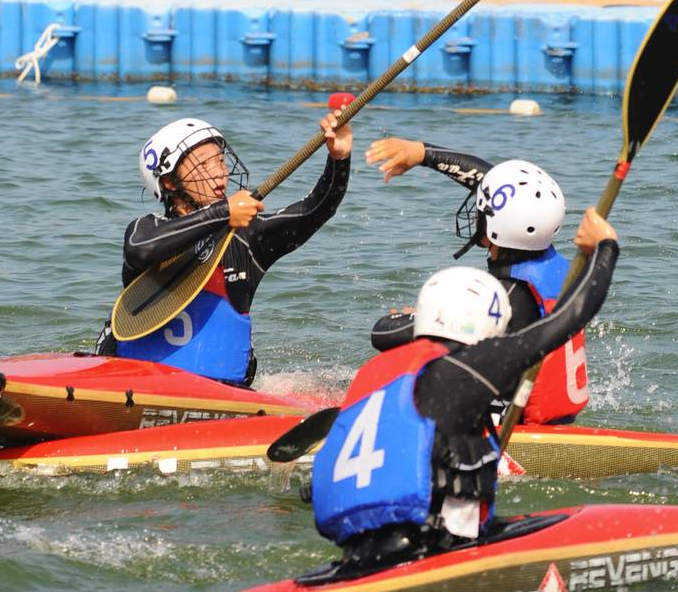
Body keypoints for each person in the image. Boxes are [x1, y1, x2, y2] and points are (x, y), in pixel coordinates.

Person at [309, 209, 619, 575]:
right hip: (429, 550)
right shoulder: (470, 366)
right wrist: (607, 247)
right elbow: (568, 318)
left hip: (354, 552)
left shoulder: (377, 372)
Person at [95, 112, 352, 387]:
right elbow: (141, 251)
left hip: (222, 390)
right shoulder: (146, 229)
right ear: (169, 182)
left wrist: (339, 161)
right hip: (131, 383)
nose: (220, 172)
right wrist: (222, 212)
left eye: (220, 160)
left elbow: (314, 210)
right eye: (203, 164)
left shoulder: (247, 238)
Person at [366, 137, 588, 425]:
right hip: (557, 417)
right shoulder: (552, 266)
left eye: (482, 214)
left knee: (402, 368)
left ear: (492, 230)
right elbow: (499, 188)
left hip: (508, 423)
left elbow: (383, 335)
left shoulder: (506, 296)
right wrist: (421, 153)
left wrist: (426, 319)